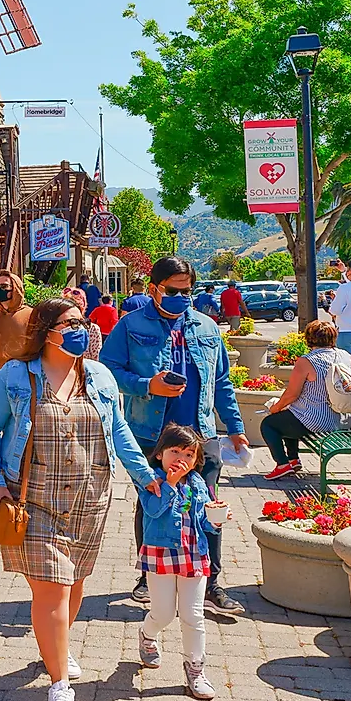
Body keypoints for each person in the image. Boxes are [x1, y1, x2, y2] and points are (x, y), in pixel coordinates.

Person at [0, 299, 158, 701]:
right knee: (52, 590)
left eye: (83, 322)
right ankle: (59, 686)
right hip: (32, 499)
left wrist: (146, 476)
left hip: (91, 498)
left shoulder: (99, 375)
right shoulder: (17, 375)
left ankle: (56, 645)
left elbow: (120, 431)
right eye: (71, 323)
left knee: (74, 585)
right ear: (46, 330)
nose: (82, 329)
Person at [104, 255, 247, 619]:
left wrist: (236, 429)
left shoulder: (207, 327)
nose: (182, 296)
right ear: (154, 289)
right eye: (174, 290)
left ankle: (211, 582)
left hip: (202, 436)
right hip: (151, 436)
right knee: (154, 505)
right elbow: (106, 372)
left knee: (208, 507)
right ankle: (149, 576)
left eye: (188, 290)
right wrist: (145, 385)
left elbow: (222, 383)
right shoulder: (130, 325)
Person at [136, 422, 223, 700]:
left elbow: (202, 521)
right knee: (163, 614)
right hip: (161, 554)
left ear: (197, 459)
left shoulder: (198, 483)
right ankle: (147, 635)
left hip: (194, 554)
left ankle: (195, 669)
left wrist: (216, 520)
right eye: (175, 451)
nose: (181, 459)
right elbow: (152, 511)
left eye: (189, 454)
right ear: (160, 454)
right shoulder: (151, 480)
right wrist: (170, 485)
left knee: (193, 614)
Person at [256, 318, 351, 479]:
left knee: (269, 424)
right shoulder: (343, 355)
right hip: (338, 420)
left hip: (314, 422)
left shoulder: (306, 361)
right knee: (288, 413)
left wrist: (274, 408)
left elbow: (292, 394)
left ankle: (283, 464)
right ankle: (293, 460)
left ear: (309, 338)